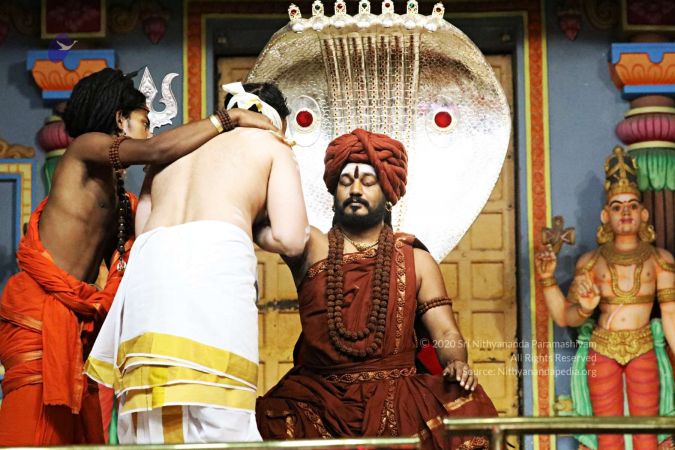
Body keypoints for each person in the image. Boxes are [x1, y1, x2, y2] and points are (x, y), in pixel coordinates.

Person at [0, 69, 276, 446]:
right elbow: (156, 150)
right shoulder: (84, 147)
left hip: (79, 323)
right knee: (28, 430)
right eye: (144, 122)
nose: (149, 131)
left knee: (77, 436)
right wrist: (229, 119)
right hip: (38, 317)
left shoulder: (121, 197)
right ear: (120, 120)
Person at [85, 82, 309, 444]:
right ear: (275, 121)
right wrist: (247, 222)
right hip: (214, 257)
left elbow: (144, 225)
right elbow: (291, 238)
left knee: (152, 413)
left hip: (151, 266)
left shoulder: (180, 145)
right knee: (219, 407)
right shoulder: (271, 144)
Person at [256, 129, 497, 450]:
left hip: (399, 393)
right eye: (345, 182)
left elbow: (445, 330)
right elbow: (258, 220)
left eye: (368, 182)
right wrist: (269, 148)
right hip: (318, 395)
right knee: (262, 420)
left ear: (388, 196)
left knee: (471, 408)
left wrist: (457, 362)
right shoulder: (309, 245)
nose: (355, 190)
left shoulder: (416, 258)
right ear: (334, 193)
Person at [535, 147, 675, 450]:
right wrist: (550, 282)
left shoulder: (660, 261)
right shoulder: (590, 262)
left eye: (632, 205)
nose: (625, 212)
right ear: (605, 215)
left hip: (643, 348)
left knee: (648, 432)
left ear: (644, 214)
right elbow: (565, 317)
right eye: (616, 206)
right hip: (602, 349)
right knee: (606, 433)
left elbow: (671, 316)